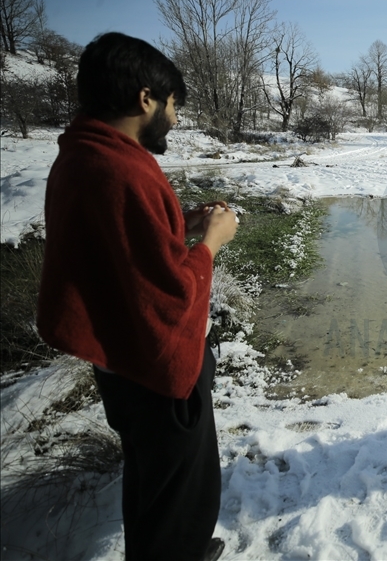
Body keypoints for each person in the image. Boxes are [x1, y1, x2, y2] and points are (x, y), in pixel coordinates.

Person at [37, 33, 239, 561]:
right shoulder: (122, 171)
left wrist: (181, 223)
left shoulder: (83, 156)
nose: (174, 119)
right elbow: (169, 298)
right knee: (176, 495)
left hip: (123, 361)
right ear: (145, 98)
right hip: (154, 370)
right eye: (173, 106)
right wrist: (211, 244)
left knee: (156, 484)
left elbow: (128, 253)